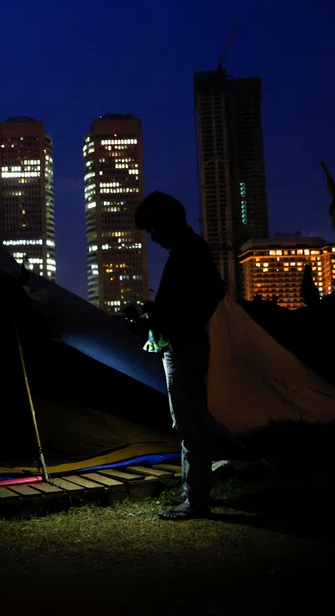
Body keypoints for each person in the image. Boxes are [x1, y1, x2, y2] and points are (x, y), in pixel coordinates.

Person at [131, 192, 232, 520]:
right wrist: (159, 319)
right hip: (179, 345)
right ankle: (197, 487)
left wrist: (173, 323)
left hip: (185, 348)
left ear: (166, 223)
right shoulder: (187, 250)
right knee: (188, 420)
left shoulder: (189, 252)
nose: (153, 237)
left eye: (153, 229)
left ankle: (196, 498)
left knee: (191, 422)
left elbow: (208, 295)